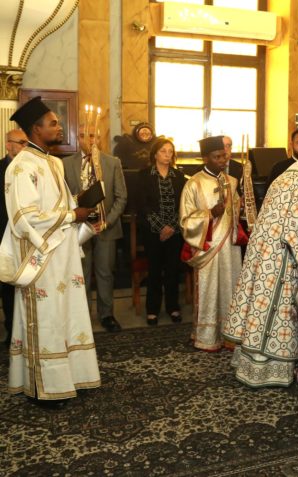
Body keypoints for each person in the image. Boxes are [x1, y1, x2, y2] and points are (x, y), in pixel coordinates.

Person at [1, 97, 100, 405]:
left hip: (64, 254)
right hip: (41, 256)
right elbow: (25, 217)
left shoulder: (53, 162)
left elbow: (61, 205)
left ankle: (73, 375)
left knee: (66, 315)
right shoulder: (21, 167)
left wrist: (82, 205)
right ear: (36, 129)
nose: (60, 127)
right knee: (44, 320)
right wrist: (73, 215)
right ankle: (42, 388)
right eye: (54, 123)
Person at [224, 124, 298, 387]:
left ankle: (251, 365)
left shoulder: (290, 174)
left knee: (261, 309)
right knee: (276, 314)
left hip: (265, 253)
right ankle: (268, 372)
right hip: (281, 261)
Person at [179, 136, 243, 351]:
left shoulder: (232, 182)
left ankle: (230, 334)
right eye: (217, 157)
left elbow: (235, 212)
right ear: (205, 158)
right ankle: (206, 336)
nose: (222, 160)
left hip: (229, 247)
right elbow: (185, 221)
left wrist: (239, 209)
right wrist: (210, 214)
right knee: (209, 290)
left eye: (224, 156)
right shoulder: (193, 184)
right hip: (208, 247)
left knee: (231, 286)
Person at [62, 125, 128, 333]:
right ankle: (82, 317)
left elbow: (121, 197)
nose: (88, 140)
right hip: (78, 227)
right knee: (81, 273)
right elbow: (63, 197)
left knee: (105, 272)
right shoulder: (65, 164)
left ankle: (107, 315)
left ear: (98, 138)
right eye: (82, 135)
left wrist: (107, 221)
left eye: (92, 135)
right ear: (77, 138)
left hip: (106, 228)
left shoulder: (113, 162)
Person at [135, 138, 186, 325]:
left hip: (175, 231)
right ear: (155, 154)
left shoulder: (179, 176)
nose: (167, 155)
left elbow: (184, 204)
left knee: (173, 270)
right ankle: (152, 309)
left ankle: (173, 307)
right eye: (163, 151)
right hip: (152, 231)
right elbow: (142, 205)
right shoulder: (143, 175)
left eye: (170, 151)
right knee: (154, 270)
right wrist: (160, 227)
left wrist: (171, 227)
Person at [1, 129, 27, 346]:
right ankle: (11, 331)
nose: (26, 147)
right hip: (4, 236)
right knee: (9, 286)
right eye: (21, 143)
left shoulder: (30, 168)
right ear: (8, 145)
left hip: (28, 237)